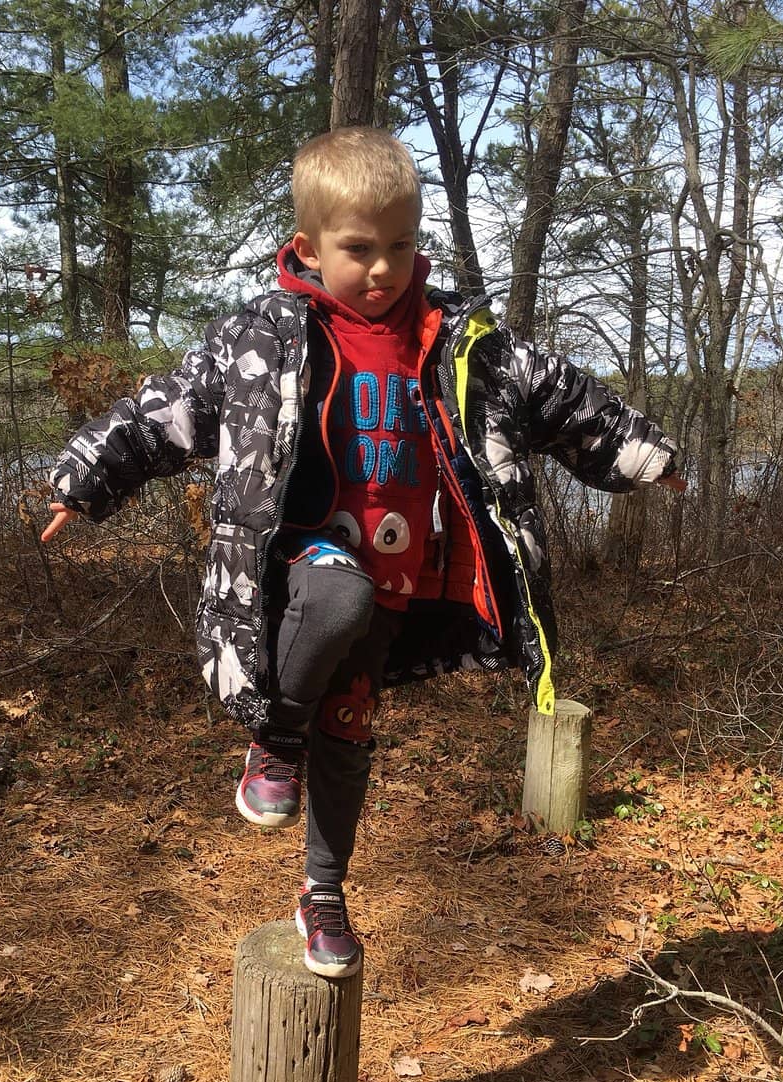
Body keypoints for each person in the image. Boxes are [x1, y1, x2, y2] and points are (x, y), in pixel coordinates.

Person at [42, 127, 685, 980]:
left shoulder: (456, 337)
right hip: (302, 566)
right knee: (335, 601)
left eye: (401, 245)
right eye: (359, 249)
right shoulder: (265, 336)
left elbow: (560, 391)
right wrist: (84, 475)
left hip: (401, 577)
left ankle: (324, 892)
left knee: (348, 739)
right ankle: (273, 739)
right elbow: (169, 407)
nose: (383, 268)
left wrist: (647, 454)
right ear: (309, 248)